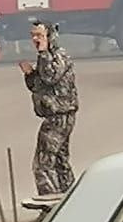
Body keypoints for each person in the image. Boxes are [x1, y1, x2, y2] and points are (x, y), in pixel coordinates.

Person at [19, 20, 79, 198]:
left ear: (50, 36)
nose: (36, 39)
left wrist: (43, 52)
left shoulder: (59, 55)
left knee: (43, 164)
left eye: (40, 35)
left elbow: (51, 77)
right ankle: (69, 198)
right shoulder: (45, 57)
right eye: (33, 36)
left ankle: (50, 205)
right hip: (56, 114)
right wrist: (30, 75)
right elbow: (40, 85)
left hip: (59, 116)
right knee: (60, 160)